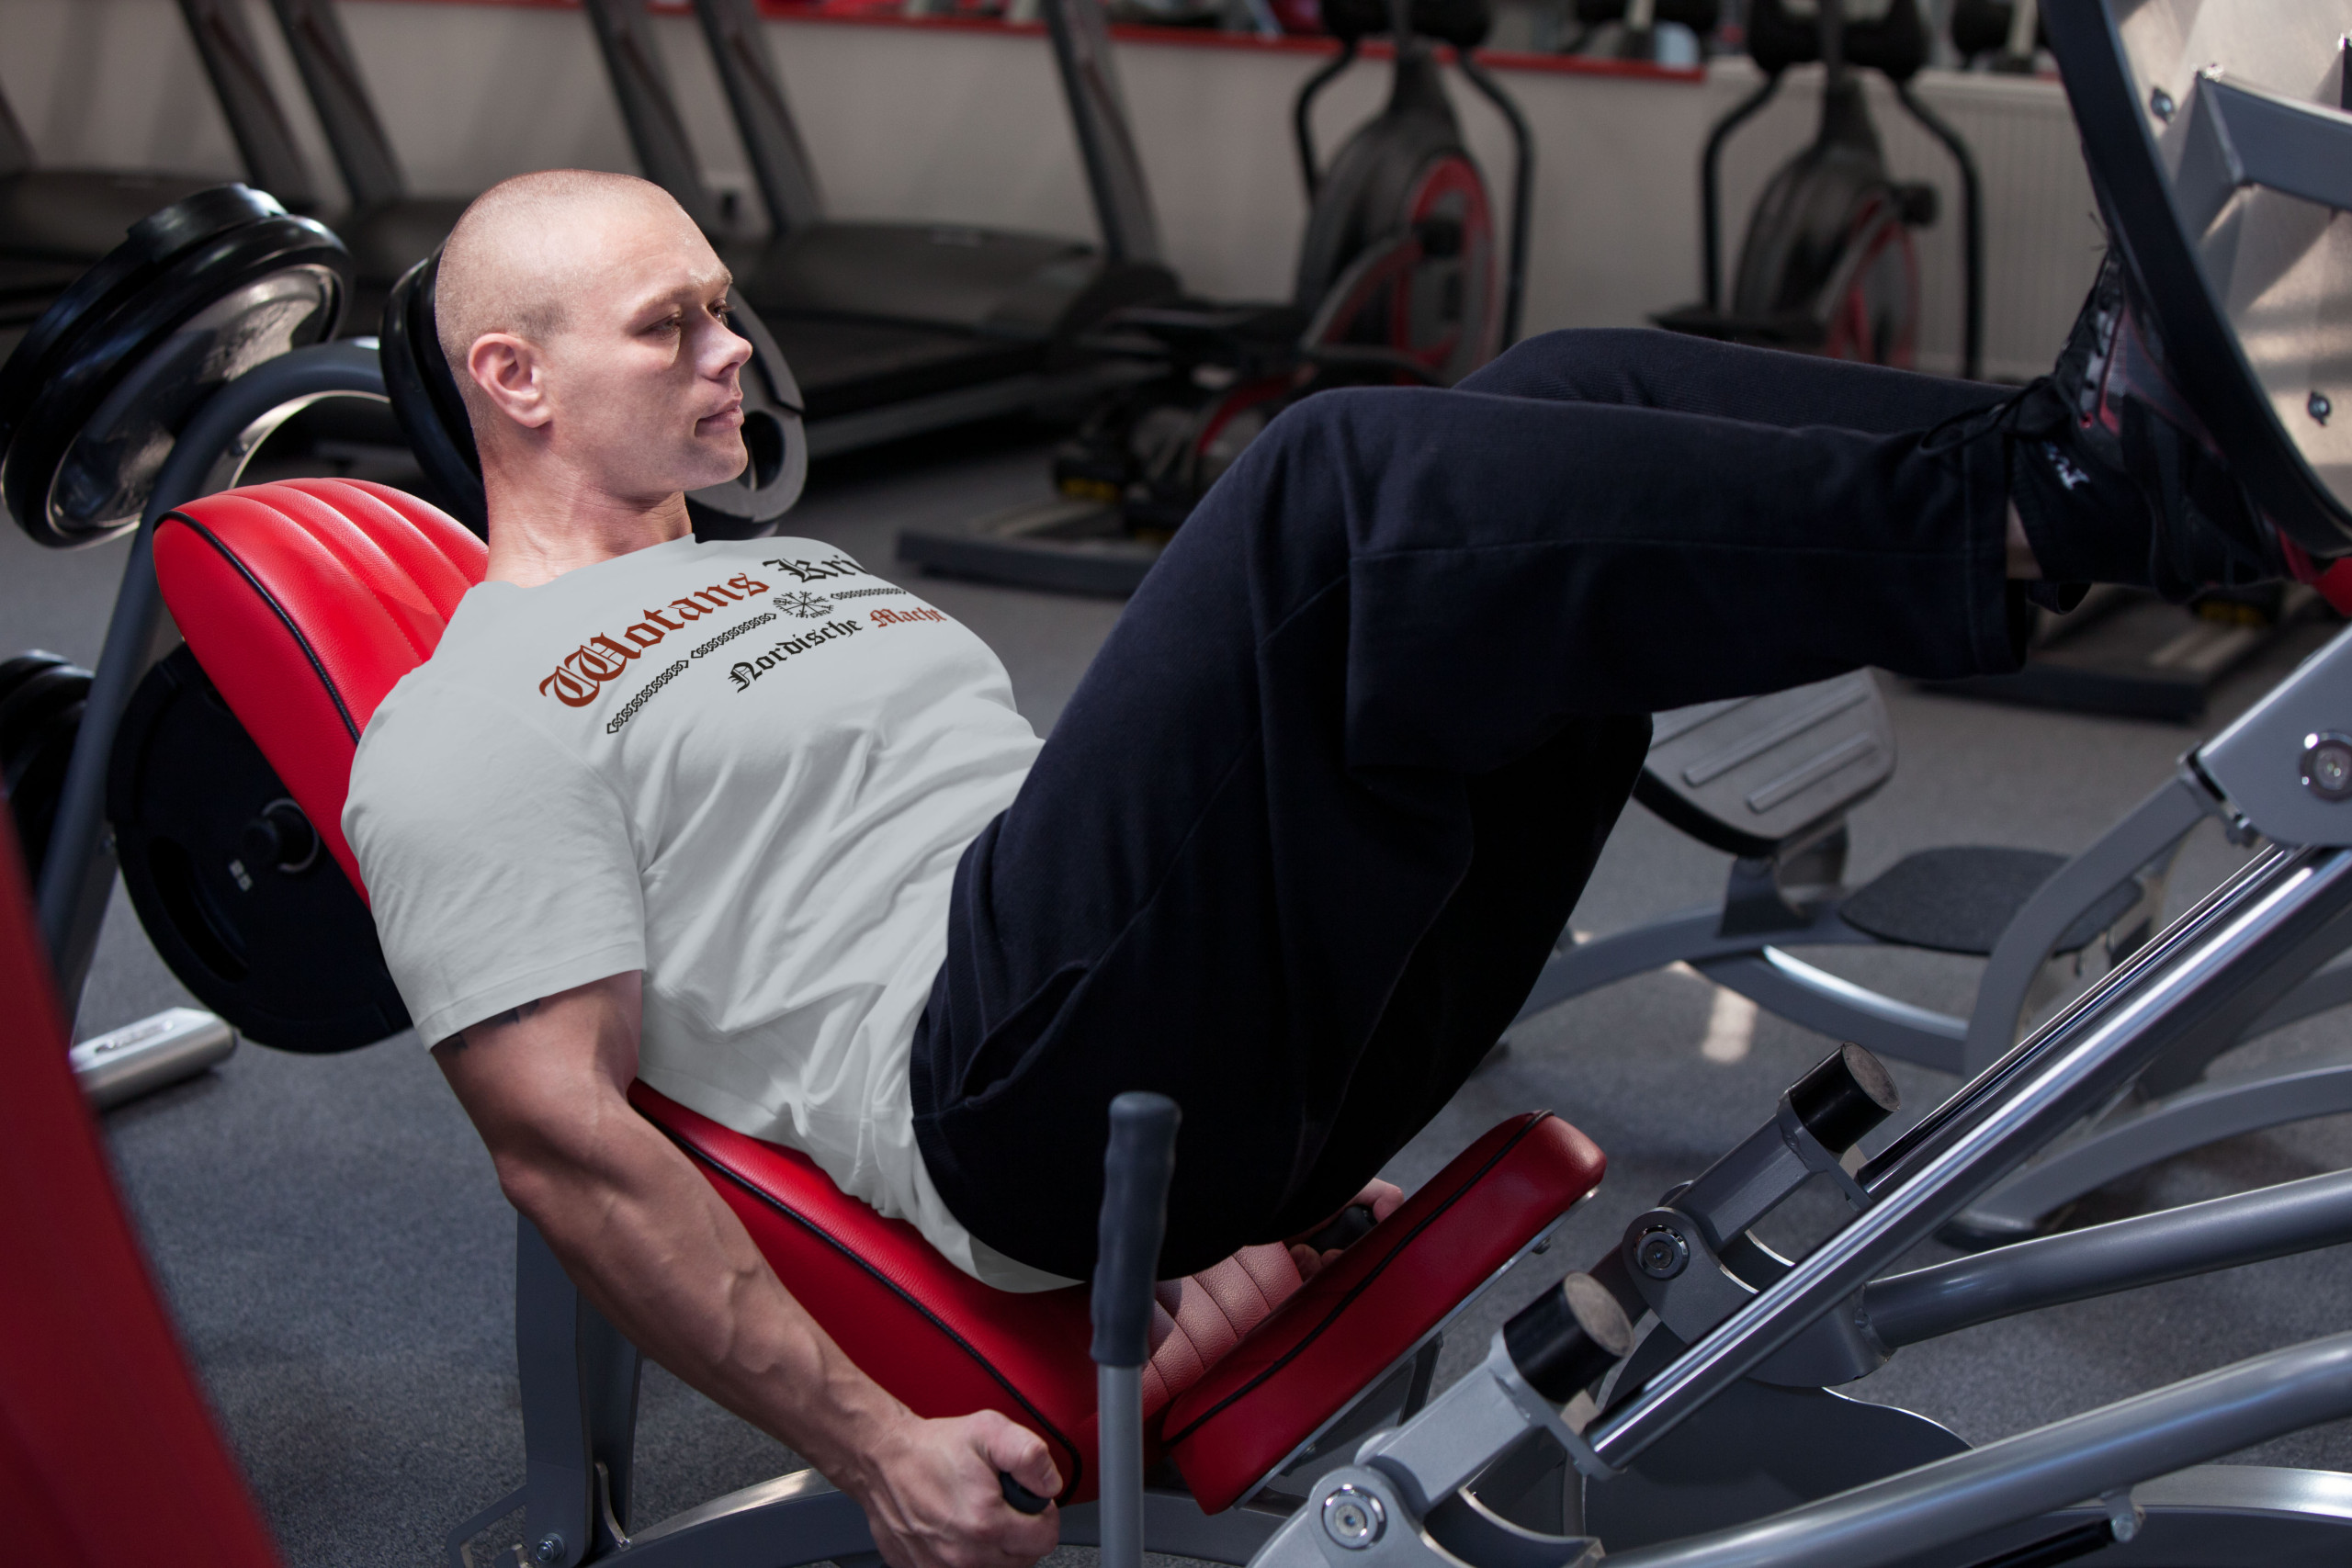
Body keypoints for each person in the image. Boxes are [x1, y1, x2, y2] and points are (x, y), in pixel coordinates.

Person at [344, 168, 2329, 1568]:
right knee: (1324, 488)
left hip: (1215, 1065)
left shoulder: (781, 567)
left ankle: (2134, 478)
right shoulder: (463, 719)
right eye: (671, 325)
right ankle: (2059, 486)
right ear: (515, 378)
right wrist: (874, 1444)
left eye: (724, 309)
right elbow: (561, 1145)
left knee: (1566, 390)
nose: (730, 354)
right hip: (1012, 1113)